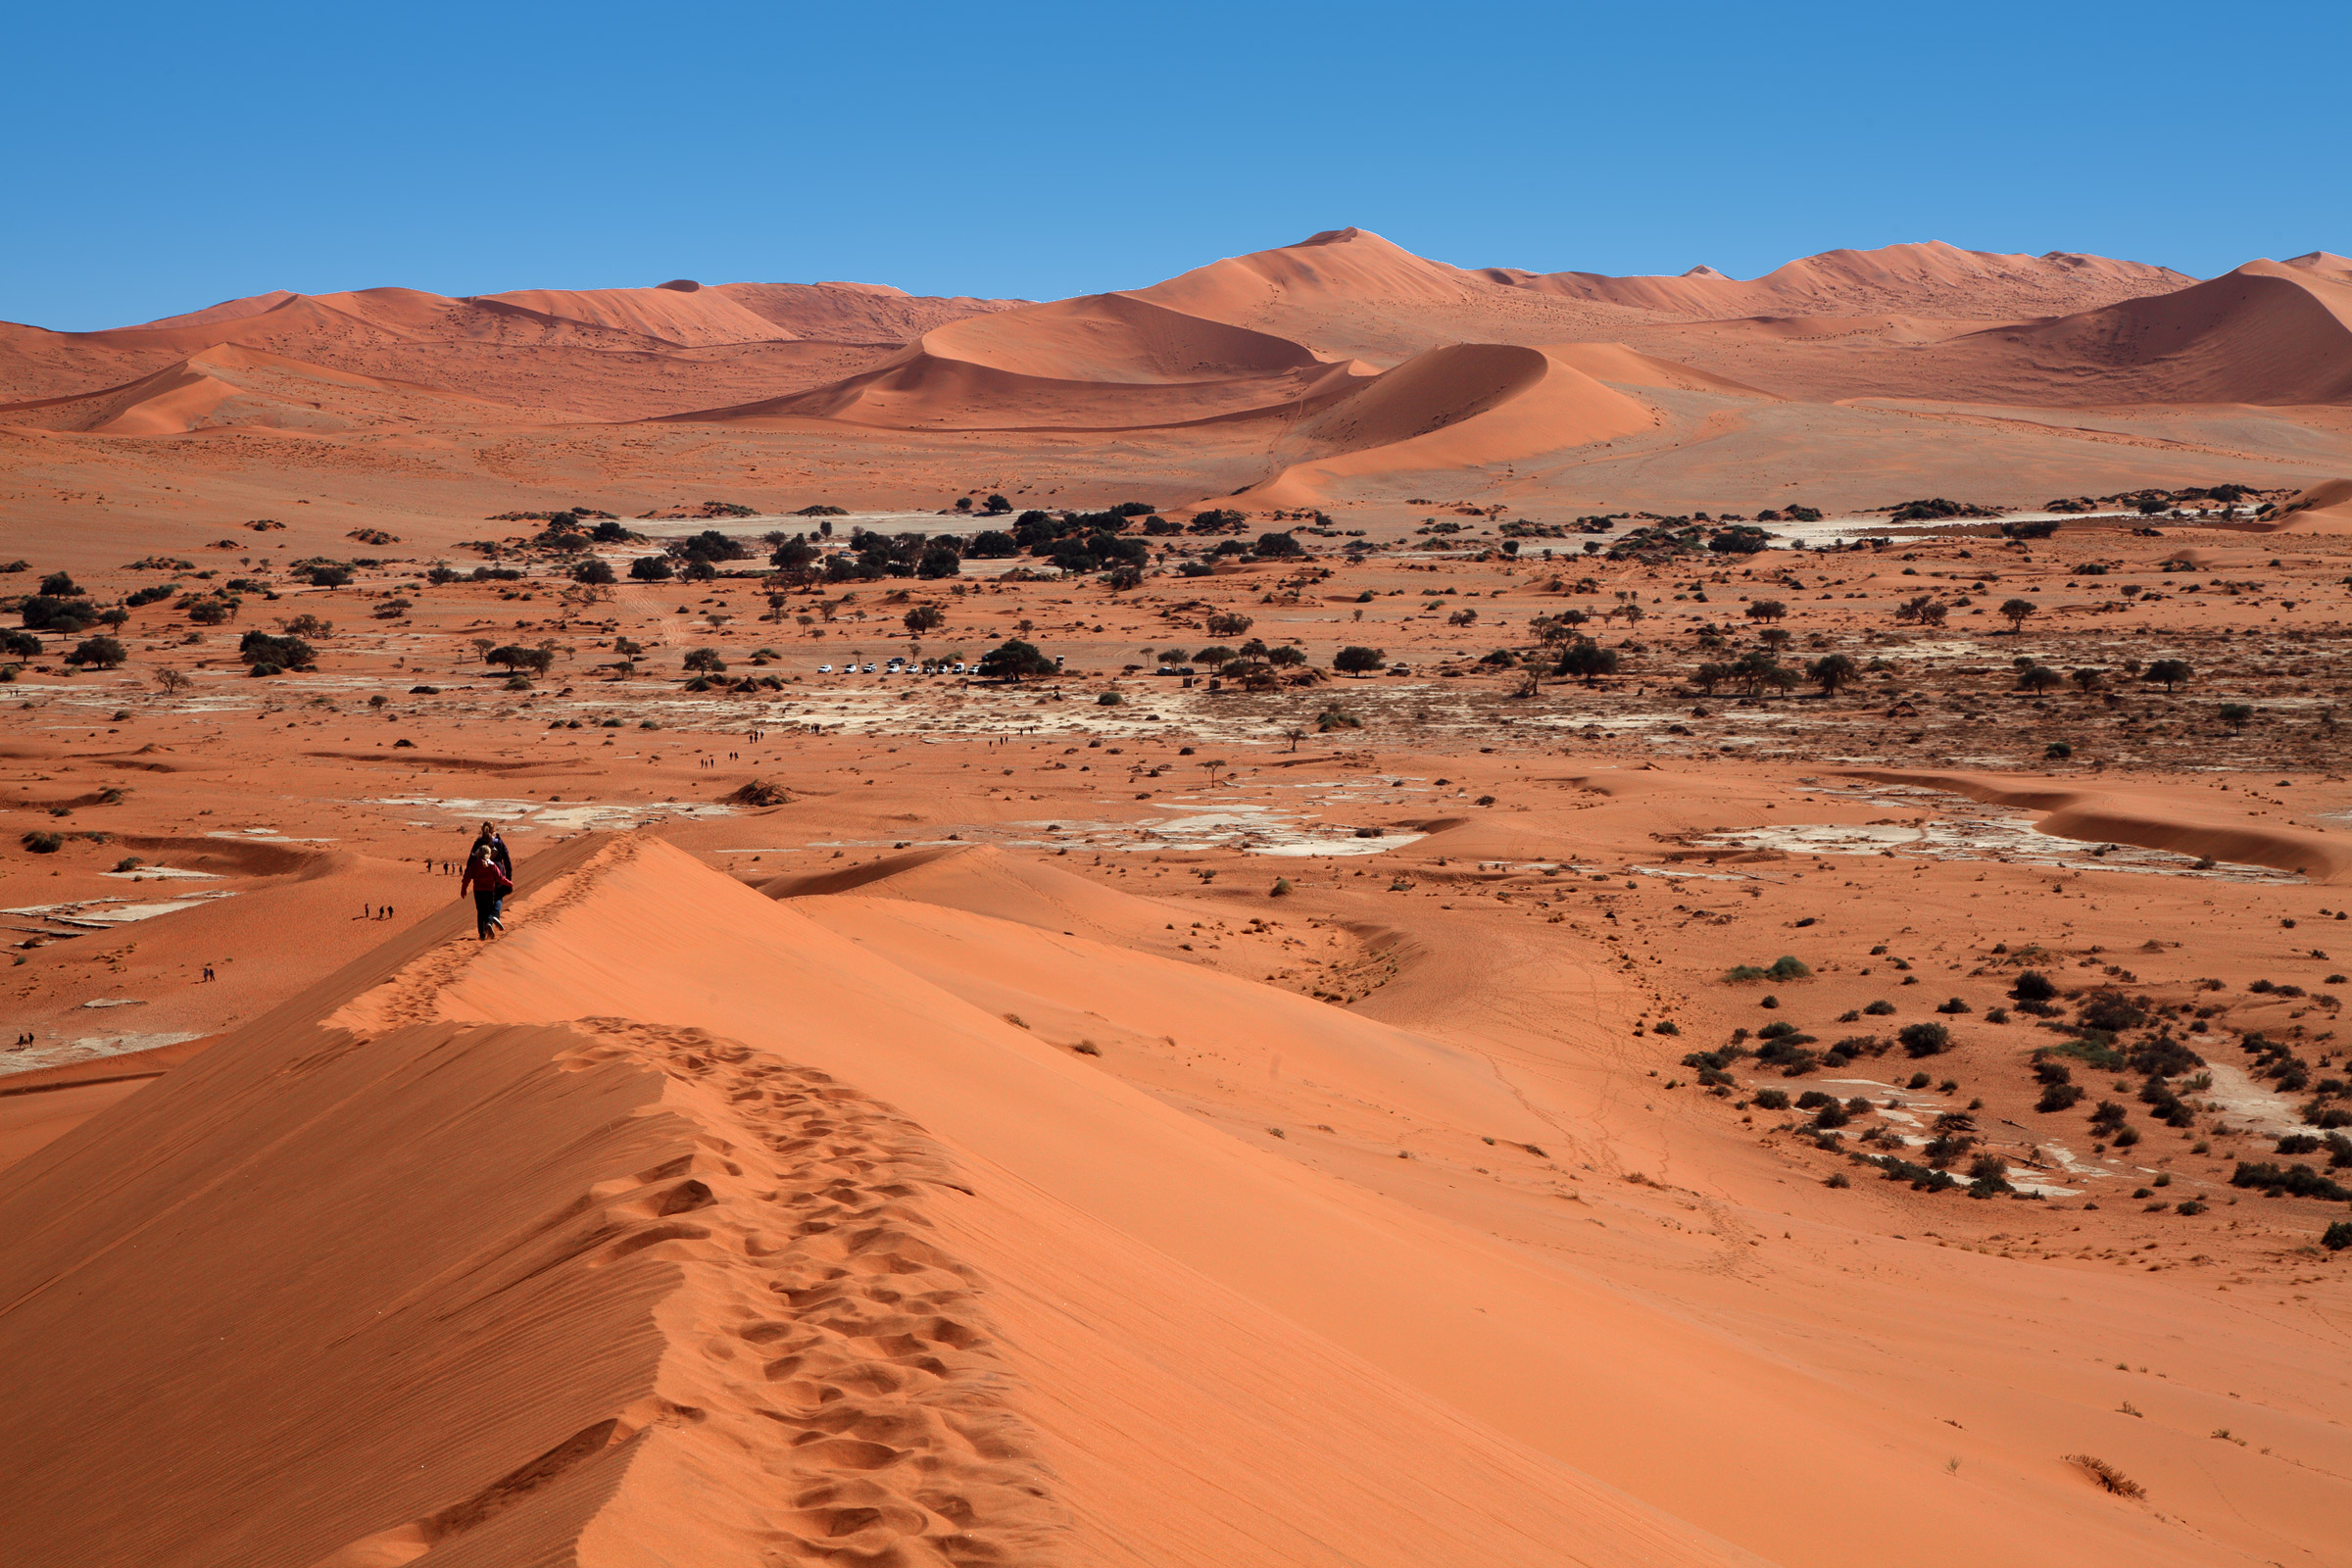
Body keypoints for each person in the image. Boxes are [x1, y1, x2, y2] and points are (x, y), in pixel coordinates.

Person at [460, 845, 513, 940]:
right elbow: (500, 878)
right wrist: (509, 883)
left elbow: (467, 877)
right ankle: (489, 922)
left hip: (478, 891)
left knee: (480, 912)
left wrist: (464, 889)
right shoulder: (492, 865)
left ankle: (482, 934)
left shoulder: (475, 864)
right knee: (489, 910)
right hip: (489, 891)